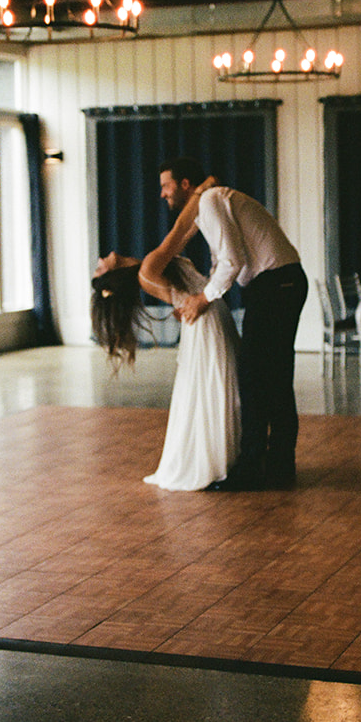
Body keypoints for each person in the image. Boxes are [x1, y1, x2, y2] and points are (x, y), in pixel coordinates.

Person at [159, 157, 307, 491]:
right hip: (280, 283)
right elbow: (222, 263)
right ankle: (279, 467)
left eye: (166, 186)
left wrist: (202, 299)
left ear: (185, 185)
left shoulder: (210, 200)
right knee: (274, 377)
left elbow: (232, 261)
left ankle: (252, 469)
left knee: (256, 378)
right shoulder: (212, 203)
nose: (162, 194)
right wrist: (198, 297)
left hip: (275, 285)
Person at [91, 178, 240, 492]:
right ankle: (216, 462)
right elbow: (178, 231)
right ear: (112, 277)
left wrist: (200, 206)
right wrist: (201, 192)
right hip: (205, 318)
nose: (99, 261)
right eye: (98, 268)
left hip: (207, 314)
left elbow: (186, 231)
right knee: (211, 388)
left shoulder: (147, 269)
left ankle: (226, 458)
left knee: (215, 387)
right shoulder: (148, 269)